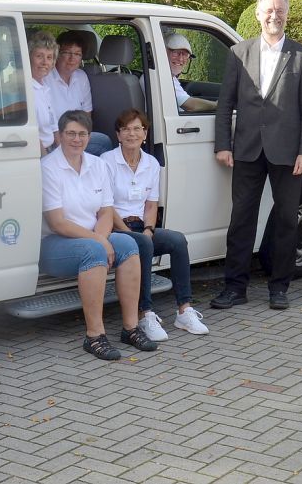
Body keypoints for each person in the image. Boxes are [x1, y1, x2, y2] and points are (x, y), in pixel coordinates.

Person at [212, 0, 302, 311]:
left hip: (288, 153)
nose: (275, 15)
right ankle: (235, 287)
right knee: (241, 219)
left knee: (286, 221)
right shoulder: (238, 52)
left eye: (280, 10)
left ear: (287, 14)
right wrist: (222, 145)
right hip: (246, 149)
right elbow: (225, 103)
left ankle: (279, 287)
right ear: (258, 15)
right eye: (269, 10)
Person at [40, 110, 157, 360]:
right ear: (60, 136)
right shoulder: (48, 168)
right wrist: (99, 241)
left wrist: (102, 238)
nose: (76, 139)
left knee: (127, 243)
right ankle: (94, 336)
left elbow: (105, 212)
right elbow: (58, 222)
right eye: (70, 133)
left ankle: (130, 328)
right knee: (94, 251)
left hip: (94, 236)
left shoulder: (97, 165)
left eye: (82, 134)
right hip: (57, 242)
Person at [101, 109, 208, 340]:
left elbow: (151, 204)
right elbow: (106, 207)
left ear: (145, 133)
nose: (132, 134)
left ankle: (184, 310)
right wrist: (130, 232)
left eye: (137, 128)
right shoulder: (106, 161)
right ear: (118, 135)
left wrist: (149, 229)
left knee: (177, 240)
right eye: (126, 129)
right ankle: (145, 313)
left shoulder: (150, 163)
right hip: (114, 228)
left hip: (142, 226)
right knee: (143, 244)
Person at [45, 30, 113, 155]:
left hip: (75, 135)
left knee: (103, 141)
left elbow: (86, 115)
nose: (72, 58)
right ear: (57, 54)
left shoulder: (81, 76)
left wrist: (80, 138)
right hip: (51, 138)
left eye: (77, 54)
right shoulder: (45, 77)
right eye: (67, 53)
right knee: (103, 143)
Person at [163, 33, 217, 112]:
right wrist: (216, 105)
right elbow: (190, 106)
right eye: (175, 53)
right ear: (164, 52)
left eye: (185, 55)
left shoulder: (170, 78)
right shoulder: (162, 78)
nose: (181, 59)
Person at [28, 30, 60, 155]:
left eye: (49, 57)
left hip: (52, 148)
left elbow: (54, 127)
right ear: (29, 57)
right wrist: (48, 161)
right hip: (41, 152)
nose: (44, 62)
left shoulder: (44, 87)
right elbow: (33, 136)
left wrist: (62, 156)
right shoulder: (28, 90)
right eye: (39, 56)